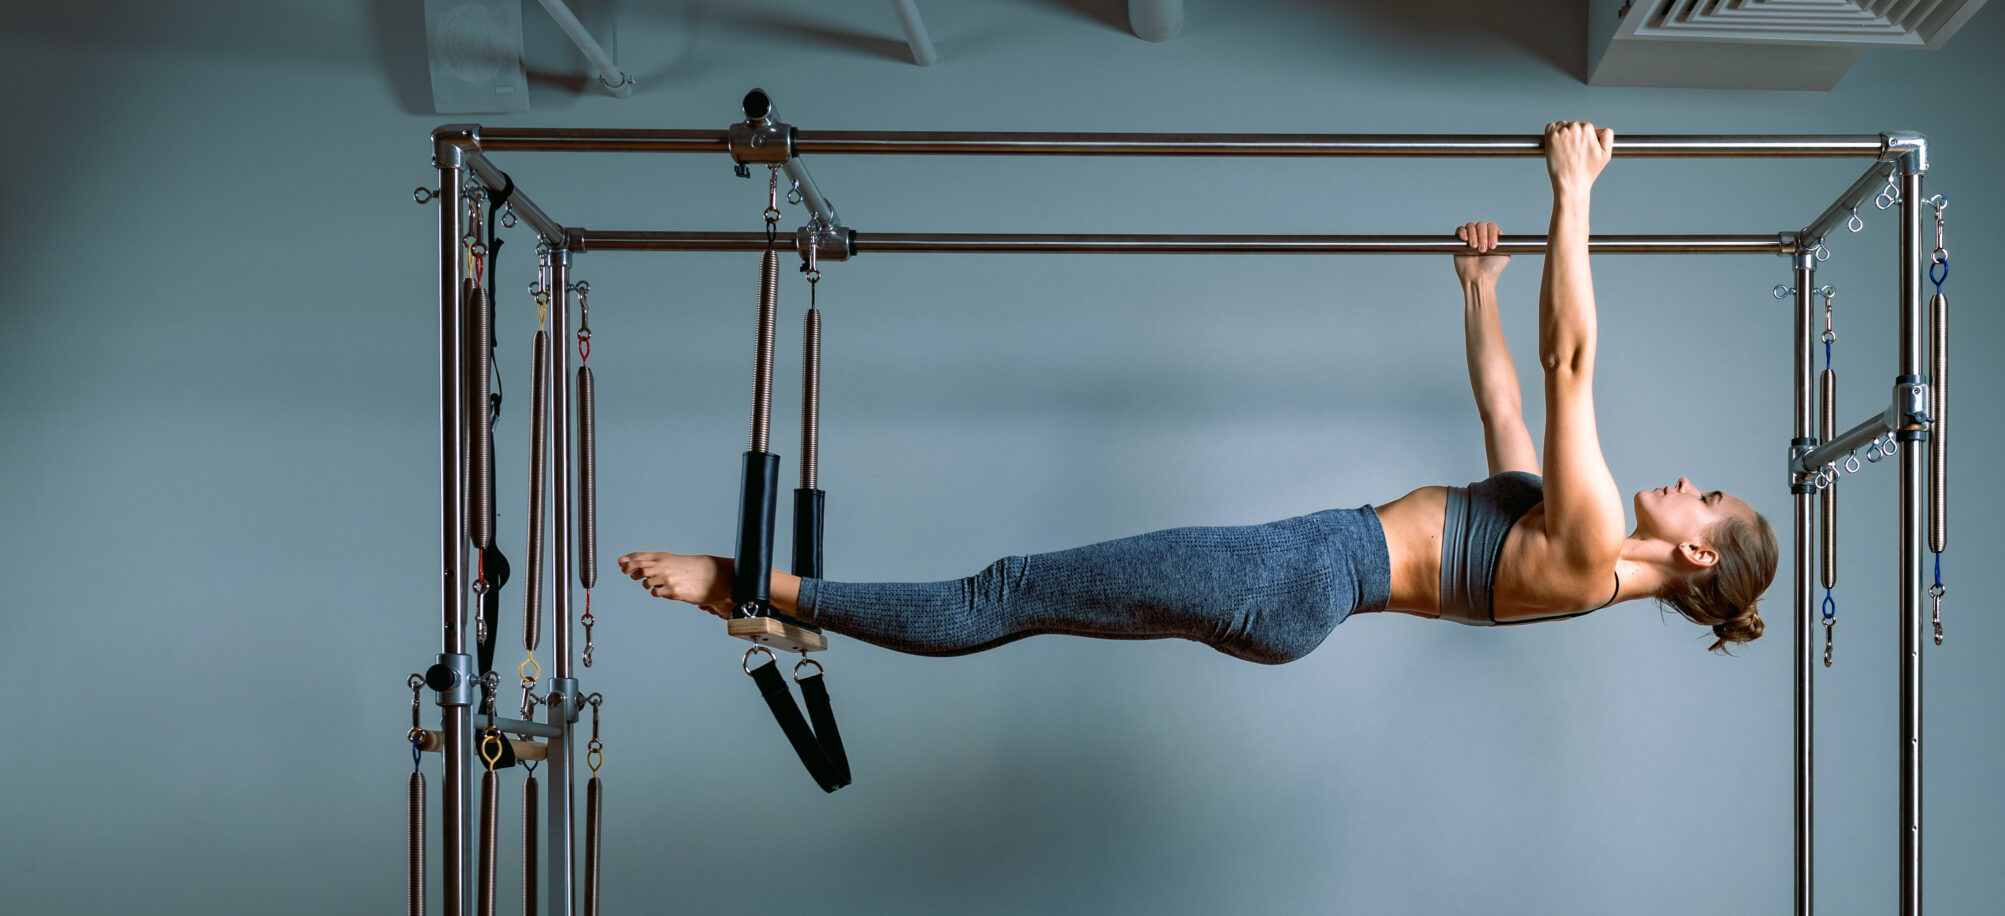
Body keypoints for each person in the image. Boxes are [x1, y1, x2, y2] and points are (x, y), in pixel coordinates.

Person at [619, 120, 1778, 664]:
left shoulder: (1587, 551)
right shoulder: (1581, 566)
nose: (1682, 485)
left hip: (1305, 569)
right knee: (1017, 599)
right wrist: (1477, 289)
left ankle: (752, 587)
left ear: (1693, 555)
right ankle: (776, 599)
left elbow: (1569, 366)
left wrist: (1574, 193)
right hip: (1307, 583)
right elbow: (1510, 416)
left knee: (1008, 590)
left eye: (1704, 499)